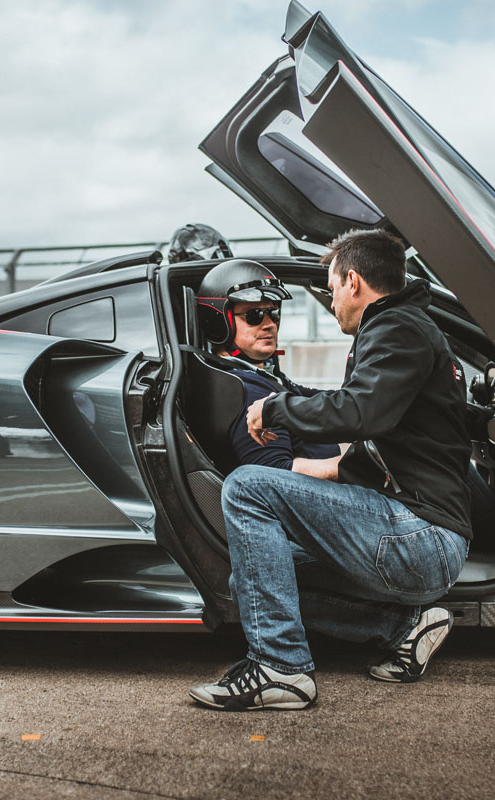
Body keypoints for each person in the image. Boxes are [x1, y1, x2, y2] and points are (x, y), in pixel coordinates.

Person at [189, 229, 473, 711]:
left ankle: (279, 667)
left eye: (332, 286)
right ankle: (403, 630)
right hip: (415, 533)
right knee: (249, 582)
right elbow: (370, 446)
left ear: (354, 282)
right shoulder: (402, 327)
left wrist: (278, 408)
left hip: (419, 539)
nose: (331, 298)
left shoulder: (397, 328)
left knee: (244, 488)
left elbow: (363, 412)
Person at [194, 259, 340, 478]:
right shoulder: (243, 388)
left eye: (273, 314)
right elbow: (275, 475)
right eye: (254, 316)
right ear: (220, 321)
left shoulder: (262, 376)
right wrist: (353, 465)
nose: (269, 324)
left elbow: (325, 401)